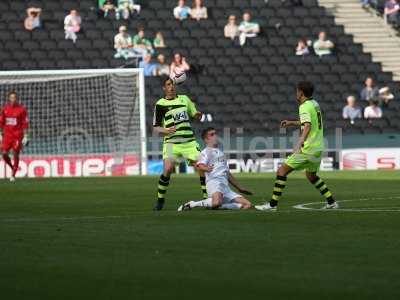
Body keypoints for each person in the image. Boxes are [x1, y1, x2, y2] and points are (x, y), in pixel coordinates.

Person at [255, 81, 338, 211]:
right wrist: (291, 123)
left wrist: (299, 142)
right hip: (318, 147)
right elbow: (308, 122)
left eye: (297, 91)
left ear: (301, 92)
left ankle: (272, 205)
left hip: (308, 148)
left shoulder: (304, 106)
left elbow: (308, 126)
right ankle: (331, 202)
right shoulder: (314, 104)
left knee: (282, 171)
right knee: (311, 176)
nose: (296, 93)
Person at [152, 77, 205, 210]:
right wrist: (165, 130)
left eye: (173, 84)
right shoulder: (160, 104)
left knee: (202, 167)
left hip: (189, 141)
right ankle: (160, 200)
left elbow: (195, 114)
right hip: (171, 142)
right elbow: (156, 127)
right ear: (164, 88)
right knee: (168, 169)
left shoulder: (185, 99)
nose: (171, 87)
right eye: (168, 85)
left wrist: (198, 115)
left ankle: (206, 197)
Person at [178, 127, 252, 211]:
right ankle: (193, 204)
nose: (215, 136)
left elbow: (227, 173)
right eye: (212, 134)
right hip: (214, 182)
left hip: (225, 186)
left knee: (247, 205)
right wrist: (206, 168)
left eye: (215, 133)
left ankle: (222, 206)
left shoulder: (221, 153)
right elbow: (199, 165)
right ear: (206, 139)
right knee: (216, 203)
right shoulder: (206, 152)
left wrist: (240, 188)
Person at [0, 91, 29, 182]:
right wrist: (0, 133)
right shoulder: (5, 109)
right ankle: (13, 167)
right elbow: (1, 122)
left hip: (17, 136)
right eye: (11, 97)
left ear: (17, 98)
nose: (13, 99)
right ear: (9, 98)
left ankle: (13, 174)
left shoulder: (22, 109)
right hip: (7, 136)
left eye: (14, 97)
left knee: (16, 153)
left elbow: (25, 123)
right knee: (4, 154)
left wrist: (26, 135)